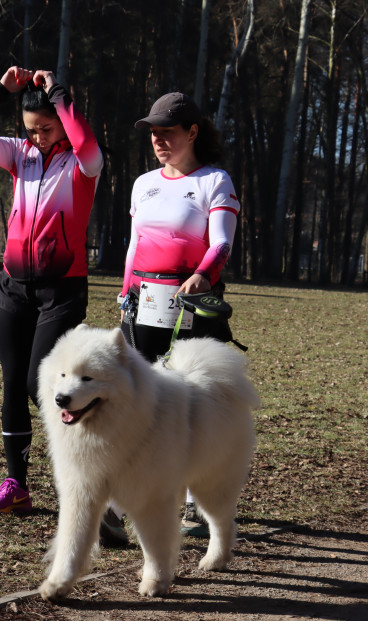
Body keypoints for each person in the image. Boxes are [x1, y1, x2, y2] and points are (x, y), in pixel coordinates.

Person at [0, 66, 104, 519]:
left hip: (62, 290)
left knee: (46, 388)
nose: (37, 137)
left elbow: (88, 145)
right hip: (13, 288)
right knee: (13, 386)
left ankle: (89, 480)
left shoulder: (83, 163)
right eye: (30, 130)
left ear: (61, 120)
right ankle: (15, 485)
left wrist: (58, 93)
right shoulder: (20, 155)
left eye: (45, 128)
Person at [119, 92, 241, 537]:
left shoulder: (215, 181)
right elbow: (134, 245)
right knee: (138, 399)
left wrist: (203, 276)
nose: (158, 140)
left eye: (167, 131)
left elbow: (221, 243)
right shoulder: (143, 184)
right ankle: (128, 499)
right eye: (153, 133)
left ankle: (194, 503)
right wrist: (125, 290)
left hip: (193, 302)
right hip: (144, 303)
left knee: (193, 400)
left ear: (192, 132)